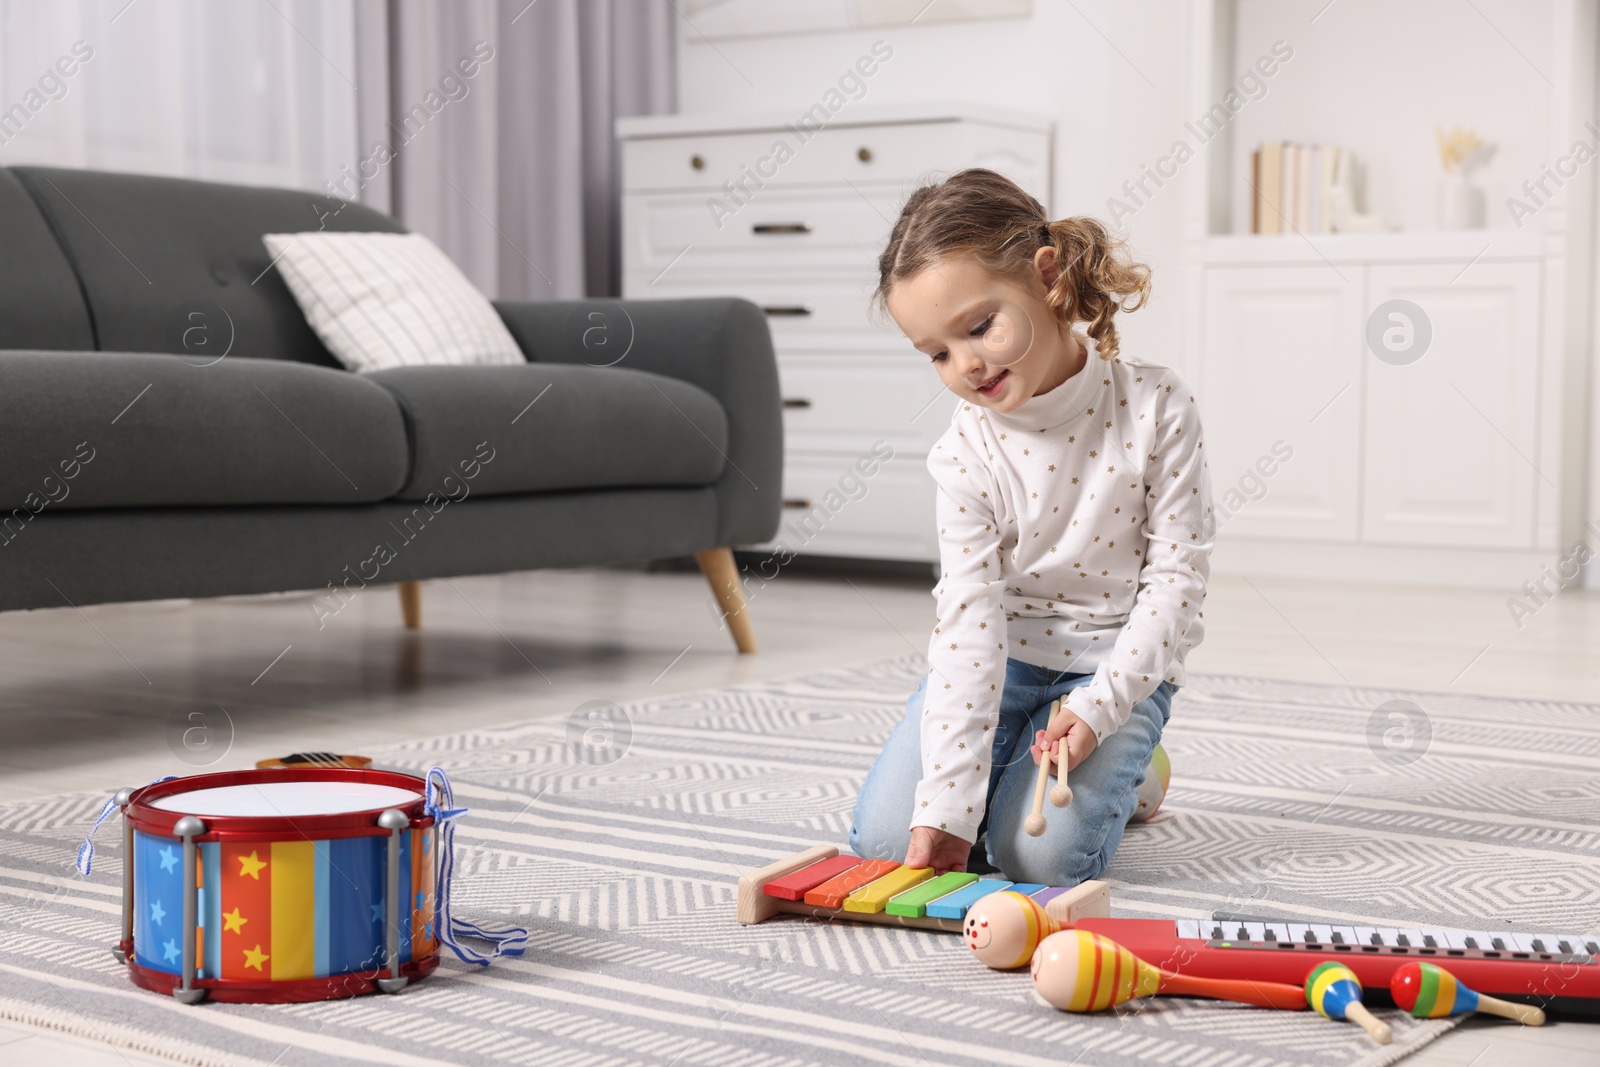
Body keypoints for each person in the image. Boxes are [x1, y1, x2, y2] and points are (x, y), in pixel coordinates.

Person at [847, 168, 1213, 886]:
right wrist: (948, 807)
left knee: (1040, 858)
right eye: (938, 353)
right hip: (1004, 661)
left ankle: (1137, 771)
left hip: (1114, 667)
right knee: (888, 842)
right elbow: (969, 624)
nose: (966, 364)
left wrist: (1099, 707)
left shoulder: (1157, 406)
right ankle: (1002, 769)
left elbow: (1176, 582)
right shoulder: (964, 453)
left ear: (1046, 277)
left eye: (979, 326)